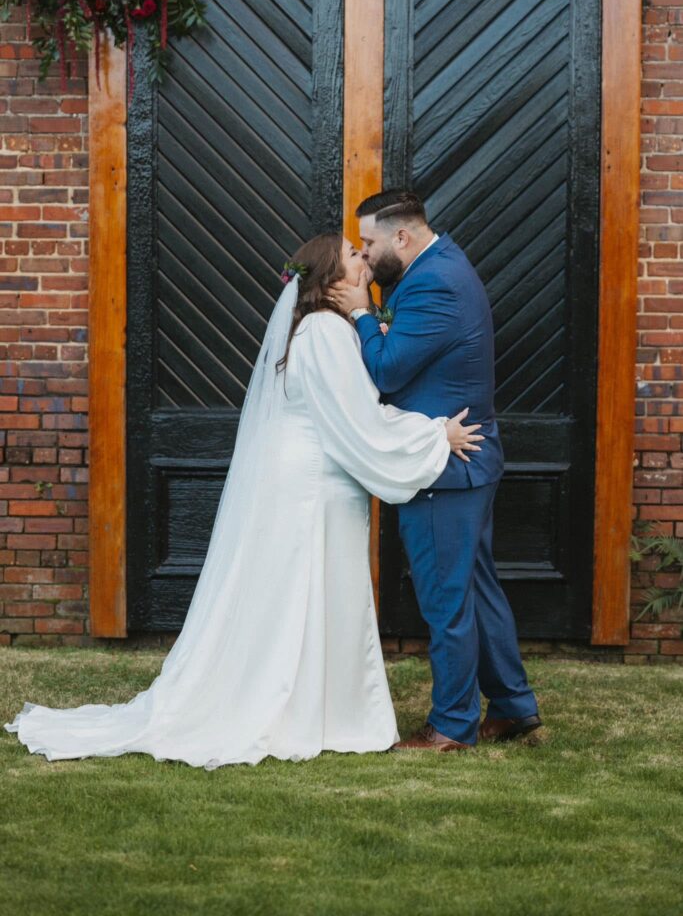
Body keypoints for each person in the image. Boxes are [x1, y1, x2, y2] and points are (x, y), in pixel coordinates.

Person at [4, 232, 482, 769]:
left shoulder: (324, 327)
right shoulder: (326, 331)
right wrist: (434, 436)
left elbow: (351, 411)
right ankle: (297, 709)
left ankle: (313, 706)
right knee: (304, 589)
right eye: (353, 253)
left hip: (314, 478)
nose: (363, 256)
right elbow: (358, 421)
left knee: (304, 592)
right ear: (330, 278)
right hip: (311, 486)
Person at [328, 190, 542, 750]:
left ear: (402, 236)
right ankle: (514, 708)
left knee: (446, 600)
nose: (366, 257)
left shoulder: (434, 283)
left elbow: (388, 371)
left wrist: (359, 312)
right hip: (465, 461)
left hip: (446, 467)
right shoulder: (438, 267)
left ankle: (451, 725)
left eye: (370, 243)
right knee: (476, 589)